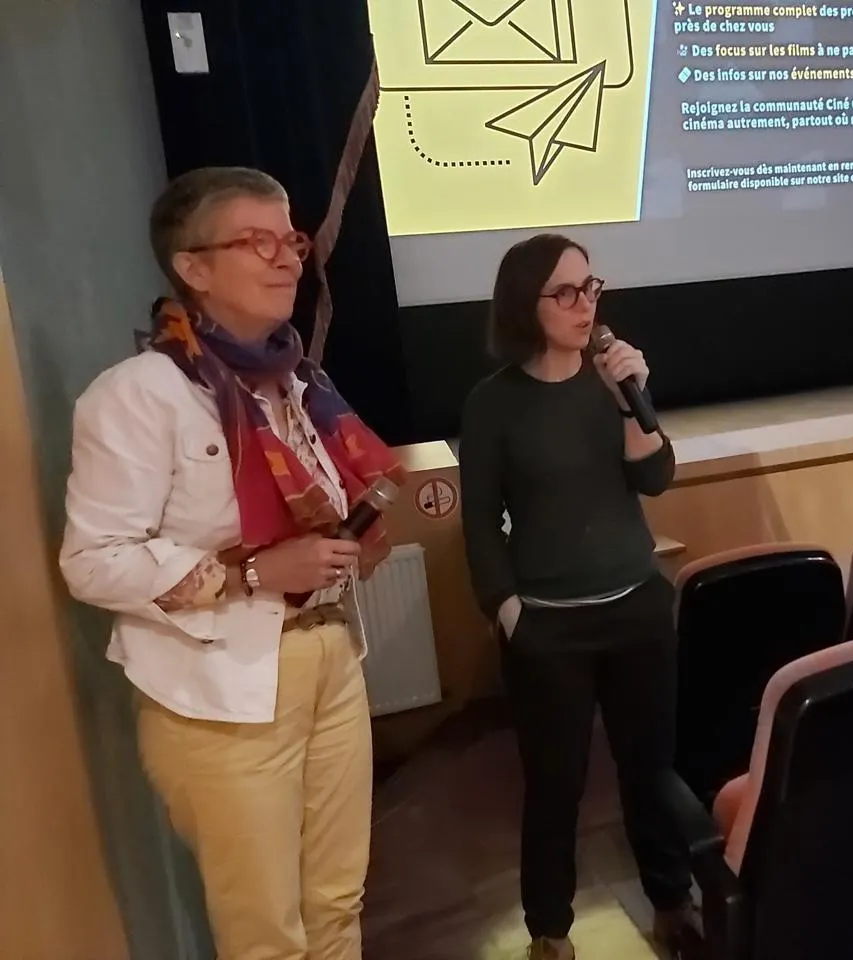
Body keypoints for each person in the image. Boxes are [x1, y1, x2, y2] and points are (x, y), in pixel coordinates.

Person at [60, 166, 405, 960]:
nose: (287, 259)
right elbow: (94, 561)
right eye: (258, 242)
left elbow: (311, 509)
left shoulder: (297, 381)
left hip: (330, 660)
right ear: (194, 266)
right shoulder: (140, 393)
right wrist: (252, 574)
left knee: (337, 904)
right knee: (266, 936)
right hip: (220, 694)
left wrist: (346, 546)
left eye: (292, 240)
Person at [459, 234, 697, 960]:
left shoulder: (613, 381)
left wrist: (630, 401)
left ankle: (672, 902)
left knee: (650, 771)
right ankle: (550, 930)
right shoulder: (494, 403)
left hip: (636, 608)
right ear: (524, 305)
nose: (584, 304)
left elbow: (656, 477)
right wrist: (509, 613)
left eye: (590, 287)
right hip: (549, 628)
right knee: (554, 786)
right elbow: (479, 525)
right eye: (564, 292)